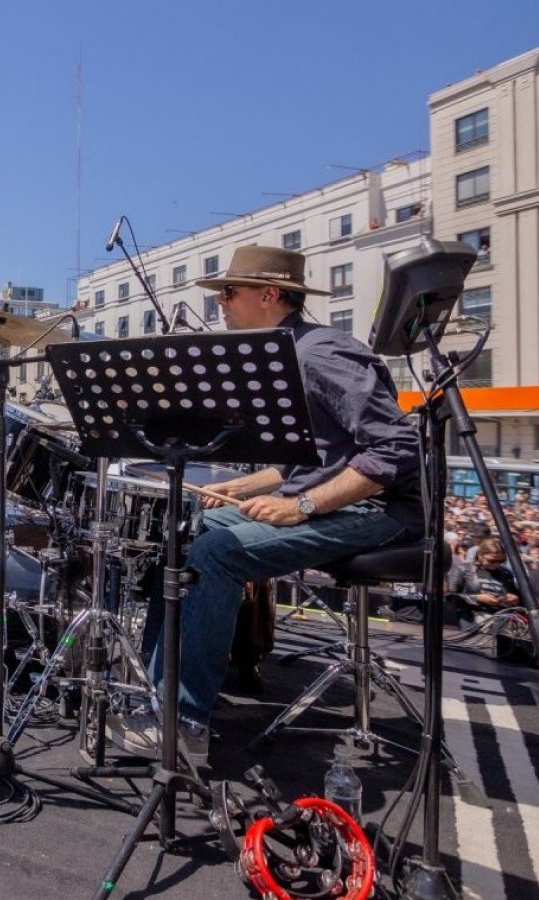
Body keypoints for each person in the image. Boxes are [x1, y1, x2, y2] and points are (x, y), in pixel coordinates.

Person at [114, 245, 424, 764]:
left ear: (270, 295)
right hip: (332, 497)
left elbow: (395, 448)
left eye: (229, 293)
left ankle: (184, 720)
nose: (221, 304)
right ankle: (154, 695)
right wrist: (250, 486)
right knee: (178, 529)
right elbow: (320, 455)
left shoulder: (323, 352)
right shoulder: (287, 353)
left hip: (381, 512)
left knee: (215, 551)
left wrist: (301, 506)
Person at [446, 537, 520, 626]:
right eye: (492, 561)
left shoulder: (506, 573)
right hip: (472, 619)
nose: (496, 564)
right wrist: (477, 598)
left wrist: (514, 599)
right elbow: (450, 597)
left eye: (500, 561)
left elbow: (516, 596)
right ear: (480, 556)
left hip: (501, 620)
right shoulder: (463, 569)